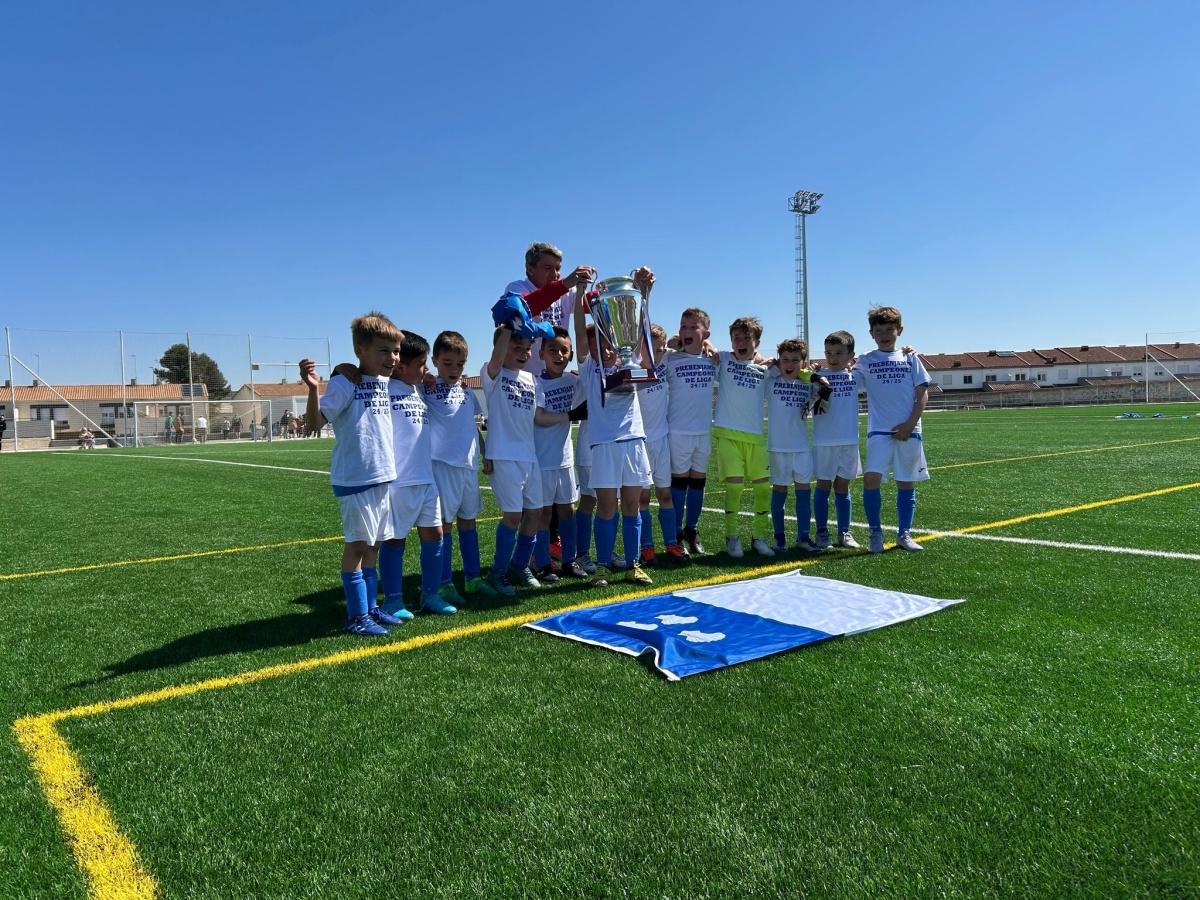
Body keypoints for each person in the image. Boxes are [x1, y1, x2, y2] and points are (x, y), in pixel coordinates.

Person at [300, 311, 401, 636]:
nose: (392, 358)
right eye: (383, 351)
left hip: (382, 476)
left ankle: (370, 607)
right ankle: (356, 616)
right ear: (361, 349)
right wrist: (315, 387)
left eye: (395, 351)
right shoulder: (345, 382)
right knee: (357, 546)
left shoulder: (385, 381)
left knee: (374, 546)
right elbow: (315, 425)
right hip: (355, 479)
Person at [573, 272, 655, 586]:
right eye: (600, 343)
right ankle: (604, 566)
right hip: (604, 443)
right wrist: (581, 290)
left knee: (633, 504)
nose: (606, 349)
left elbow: (642, 330)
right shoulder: (589, 368)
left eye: (609, 342)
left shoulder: (630, 359)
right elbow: (580, 334)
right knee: (606, 505)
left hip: (633, 440)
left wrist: (645, 293)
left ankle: (633, 564)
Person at [375, 332, 456, 618]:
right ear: (399, 366)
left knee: (434, 535)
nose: (427, 370)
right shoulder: (383, 389)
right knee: (395, 539)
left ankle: (429, 595)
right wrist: (342, 369)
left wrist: (426, 380)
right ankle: (393, 600)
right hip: (400, 482)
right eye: (422, 364)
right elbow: (356, 375)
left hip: (426, 478)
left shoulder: (419, 389)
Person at [423, 330, 497, 604]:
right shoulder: (427, 390)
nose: (453, 369)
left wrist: (485, 450)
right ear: (435, 361)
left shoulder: (468, 395)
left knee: (469, 522)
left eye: (459, 364)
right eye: (447, 363)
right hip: (443, 468)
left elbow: (472, 427)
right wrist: (424, 378)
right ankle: (443, 583)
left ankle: (472, 578)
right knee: (444, 526)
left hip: (468, 468)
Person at [856, 306, 932, 554]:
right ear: (871, 333)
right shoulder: (866, 360)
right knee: (871, 480)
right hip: (879, 430)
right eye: (879, 330)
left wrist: (910, 424)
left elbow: (922, 393)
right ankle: (875, 533)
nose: (885, 334)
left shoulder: (910, 357)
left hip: (909, 429)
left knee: (906, 483)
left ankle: (904, 534)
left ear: (900, 330)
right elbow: (848, 380)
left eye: (890, 329)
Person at [481, 324, 544, 598]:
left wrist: (574, 412)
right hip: (504, 455)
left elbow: (539, 417)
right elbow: (497, 357)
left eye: (527, 348)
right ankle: (498, 571)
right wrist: (507, 326)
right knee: (513, 516)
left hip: (530, 456)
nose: (523, 353)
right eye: (516, 347)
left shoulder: (532, 380)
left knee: (535, 514)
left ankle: (519, 566)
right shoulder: (492, 374)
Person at [531, 326, 585, 581]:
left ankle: (569, 560)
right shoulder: (536, 384)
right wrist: (570, 415)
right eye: (552, 350)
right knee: (543, 514)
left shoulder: (574, 380)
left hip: (565, 460)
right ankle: (542, 563)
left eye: (564, 350)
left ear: (571, 354)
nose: (559, 355)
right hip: (542, 461)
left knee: (567, 511)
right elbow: (539, 417)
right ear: (541, 353)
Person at [664, 307, 717, 556]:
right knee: (679, 484)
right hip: (678, 432)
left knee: (698, 483)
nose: (686, 331)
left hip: (703, 432)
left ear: (705, 333)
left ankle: (691, 529)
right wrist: (672, 343)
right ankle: (675, 532)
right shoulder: (670, 358)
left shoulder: (712, 359)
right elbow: (653, 348)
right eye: (683, 327)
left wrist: (711, 346)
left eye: (692, 327)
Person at [766, 338, 823, 553]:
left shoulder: (808, 384)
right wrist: (771, 366)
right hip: (778, 447)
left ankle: (803, 537)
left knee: (803, 493)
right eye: (785, 360)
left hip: (801, 447)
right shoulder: (771, 382)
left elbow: (822, 388)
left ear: (803, 362)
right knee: (779, 492)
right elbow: (763, 372)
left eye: (795, 360)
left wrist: (813, 374)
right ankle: (779, 539)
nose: (789, 365)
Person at [636, 324, 686, 566]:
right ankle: (646, 547)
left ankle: (672, 544)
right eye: (649, 348)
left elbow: (690, 343)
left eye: (658, 348)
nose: (654, 354)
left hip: (662, 439)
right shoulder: (633, 369)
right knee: (642, 498)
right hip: (641, 442)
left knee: (665, 494)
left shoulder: (666, 360)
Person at [811, 330, 863, 549]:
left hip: (849, 441)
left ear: (851, 355)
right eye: (828, 353)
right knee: (823, 485)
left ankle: (844, 533)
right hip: (824, 442)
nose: (832, 357)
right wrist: (813, 374)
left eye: (838, 353)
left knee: (843, 486)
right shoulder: (816, 376)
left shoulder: (856, 376)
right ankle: (822, 532)